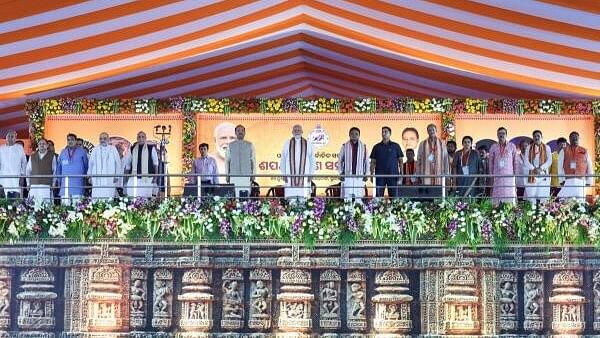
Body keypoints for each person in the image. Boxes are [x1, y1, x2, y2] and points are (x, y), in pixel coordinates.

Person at [280, 125, 315, 199]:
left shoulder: (308, 144)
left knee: (303, 199)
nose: (297, 132)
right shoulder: (287, 143)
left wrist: (311, 174)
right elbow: (283, 159)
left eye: (298, 130)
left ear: (302, 132)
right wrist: (283, 174)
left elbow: (312, 160)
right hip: (289, 176)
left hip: (304, 177)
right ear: (292, 132)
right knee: (291, 199)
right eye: (295, 130)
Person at [558, 131, 593, 201]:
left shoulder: (584, 151)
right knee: (566, 201)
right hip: (568, 180)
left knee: (580, 202)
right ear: (569, 139)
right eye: (572, 137)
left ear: (579, 138)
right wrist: (561, 180)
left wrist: (589, 181)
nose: (574, 138)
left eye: (576, 137)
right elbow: (560, 167)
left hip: (581, 181)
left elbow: (589, 166)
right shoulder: (564, 151)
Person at [370, 126, 403, 198]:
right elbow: (372, 162)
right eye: (382, 132)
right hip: (380, 176)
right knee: (378, 196)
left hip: (393, 175)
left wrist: (401, 174)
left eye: (386, 131)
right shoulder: (376, 147)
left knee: (394, 197)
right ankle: (378, 209)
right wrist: (371, 175)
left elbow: (400, 160)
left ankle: (395, 209)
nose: (384, 133)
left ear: (390, 133)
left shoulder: (396, 146)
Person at [55, 133, 89, 204]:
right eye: (68, 140)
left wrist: (85, 180)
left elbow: (86, 167)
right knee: (64, 209)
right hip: (65, 185)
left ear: (76, 141)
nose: (70, 141)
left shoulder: (82, 152)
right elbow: (59, 168)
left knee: (78, 209)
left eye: (72, 140)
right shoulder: (63, 152)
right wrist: (58, 180)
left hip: (78, 185)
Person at [338, 127, 369, 202]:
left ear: (359, 135)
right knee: (347, 196)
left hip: (360, 175)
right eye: (352, 134)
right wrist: (340, 173)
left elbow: (366, 161)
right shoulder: (344, 146)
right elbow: (340, 160)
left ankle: (358, 212)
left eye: (356, 134)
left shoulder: (363, 147)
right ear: (349, 135)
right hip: (348, 175)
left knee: (358, 197)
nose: (354, 135)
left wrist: (366, 174)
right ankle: (347, 212)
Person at [88, 132, 122, 201]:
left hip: (109, 179)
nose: (102, 140)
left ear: (108, 139)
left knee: (109, 198)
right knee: (96, 199)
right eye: (100, 139)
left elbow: (118, 163)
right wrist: (89, 176)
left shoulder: (113, 149)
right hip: (97, 180)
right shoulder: (95, 149)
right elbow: (90, 164)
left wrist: (117, 175)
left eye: (104, 138)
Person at [489, 127, 518, 206]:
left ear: (506, 135)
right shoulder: (493, 147)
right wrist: (491, 174)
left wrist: (515, 174)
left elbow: (515, 161)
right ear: (497, 135)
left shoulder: (512, 146)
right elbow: (490, 162)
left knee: (509, 196)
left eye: (503, 133)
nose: (501, 135)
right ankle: (496, 211)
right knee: (497, 196)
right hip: (497, 176)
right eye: (499, 133)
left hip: (509, 176)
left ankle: (509, 210)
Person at [124, 131, 158, 198]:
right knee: (133, 197)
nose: (141, 138)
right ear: (137, 138)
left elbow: (155, 164)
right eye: (139, 137)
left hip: (148, 178)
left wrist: (155, 178)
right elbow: (128, 164)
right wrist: (127, 177)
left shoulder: (151, 148)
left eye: (143, 137)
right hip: (134, 178)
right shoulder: (132, 149)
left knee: (146, 198)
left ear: (145, 138)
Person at [226, 125, 256, 197]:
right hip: (234, 175)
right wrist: (227, 175)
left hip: (246, 175)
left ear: (245, 133)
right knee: (235, 197)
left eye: (242, 130)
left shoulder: (250, 145)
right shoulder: (230, 145)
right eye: (238, 131)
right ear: (235, 133)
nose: (240, 132)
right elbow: (227, 161)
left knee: (245, 196)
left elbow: (253, 161)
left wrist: (253, 174)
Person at [524, 130, 552, 203]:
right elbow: (526, 160)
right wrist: (533, 169)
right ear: (533, 138)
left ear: (542, 137)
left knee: (543, 196)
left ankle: (543, 212)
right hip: (532, 174)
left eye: (538, 136)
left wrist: (541, 168)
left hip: (543, 174)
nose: (536, 138)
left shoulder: (547, 147)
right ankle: (531, 212)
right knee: (531, 196)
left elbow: (549, 161)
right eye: (535, 136)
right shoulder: (529, 147)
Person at [26, 138, 56, 205]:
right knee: (32, 205)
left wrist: (53, 183)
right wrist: (28, 183)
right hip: (34, 185)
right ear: (38, 145)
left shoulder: (52, 156)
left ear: (47, 145)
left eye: (44, 144)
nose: (42, 145)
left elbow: (55, 171)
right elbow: (28, 170)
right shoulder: (32, 156)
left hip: (46, 185)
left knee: (46, 205)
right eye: (40, 144)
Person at [0, 130, 27, 199]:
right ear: (6, 138)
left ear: (15, 138)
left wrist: (22, 176)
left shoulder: (19, 148)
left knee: (16, 196)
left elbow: (24, 163)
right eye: (8, 136)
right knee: (4, 195)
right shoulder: (1, 148)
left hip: (16, 176)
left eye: (12, 136)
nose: (10, 138)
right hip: (3, 176)